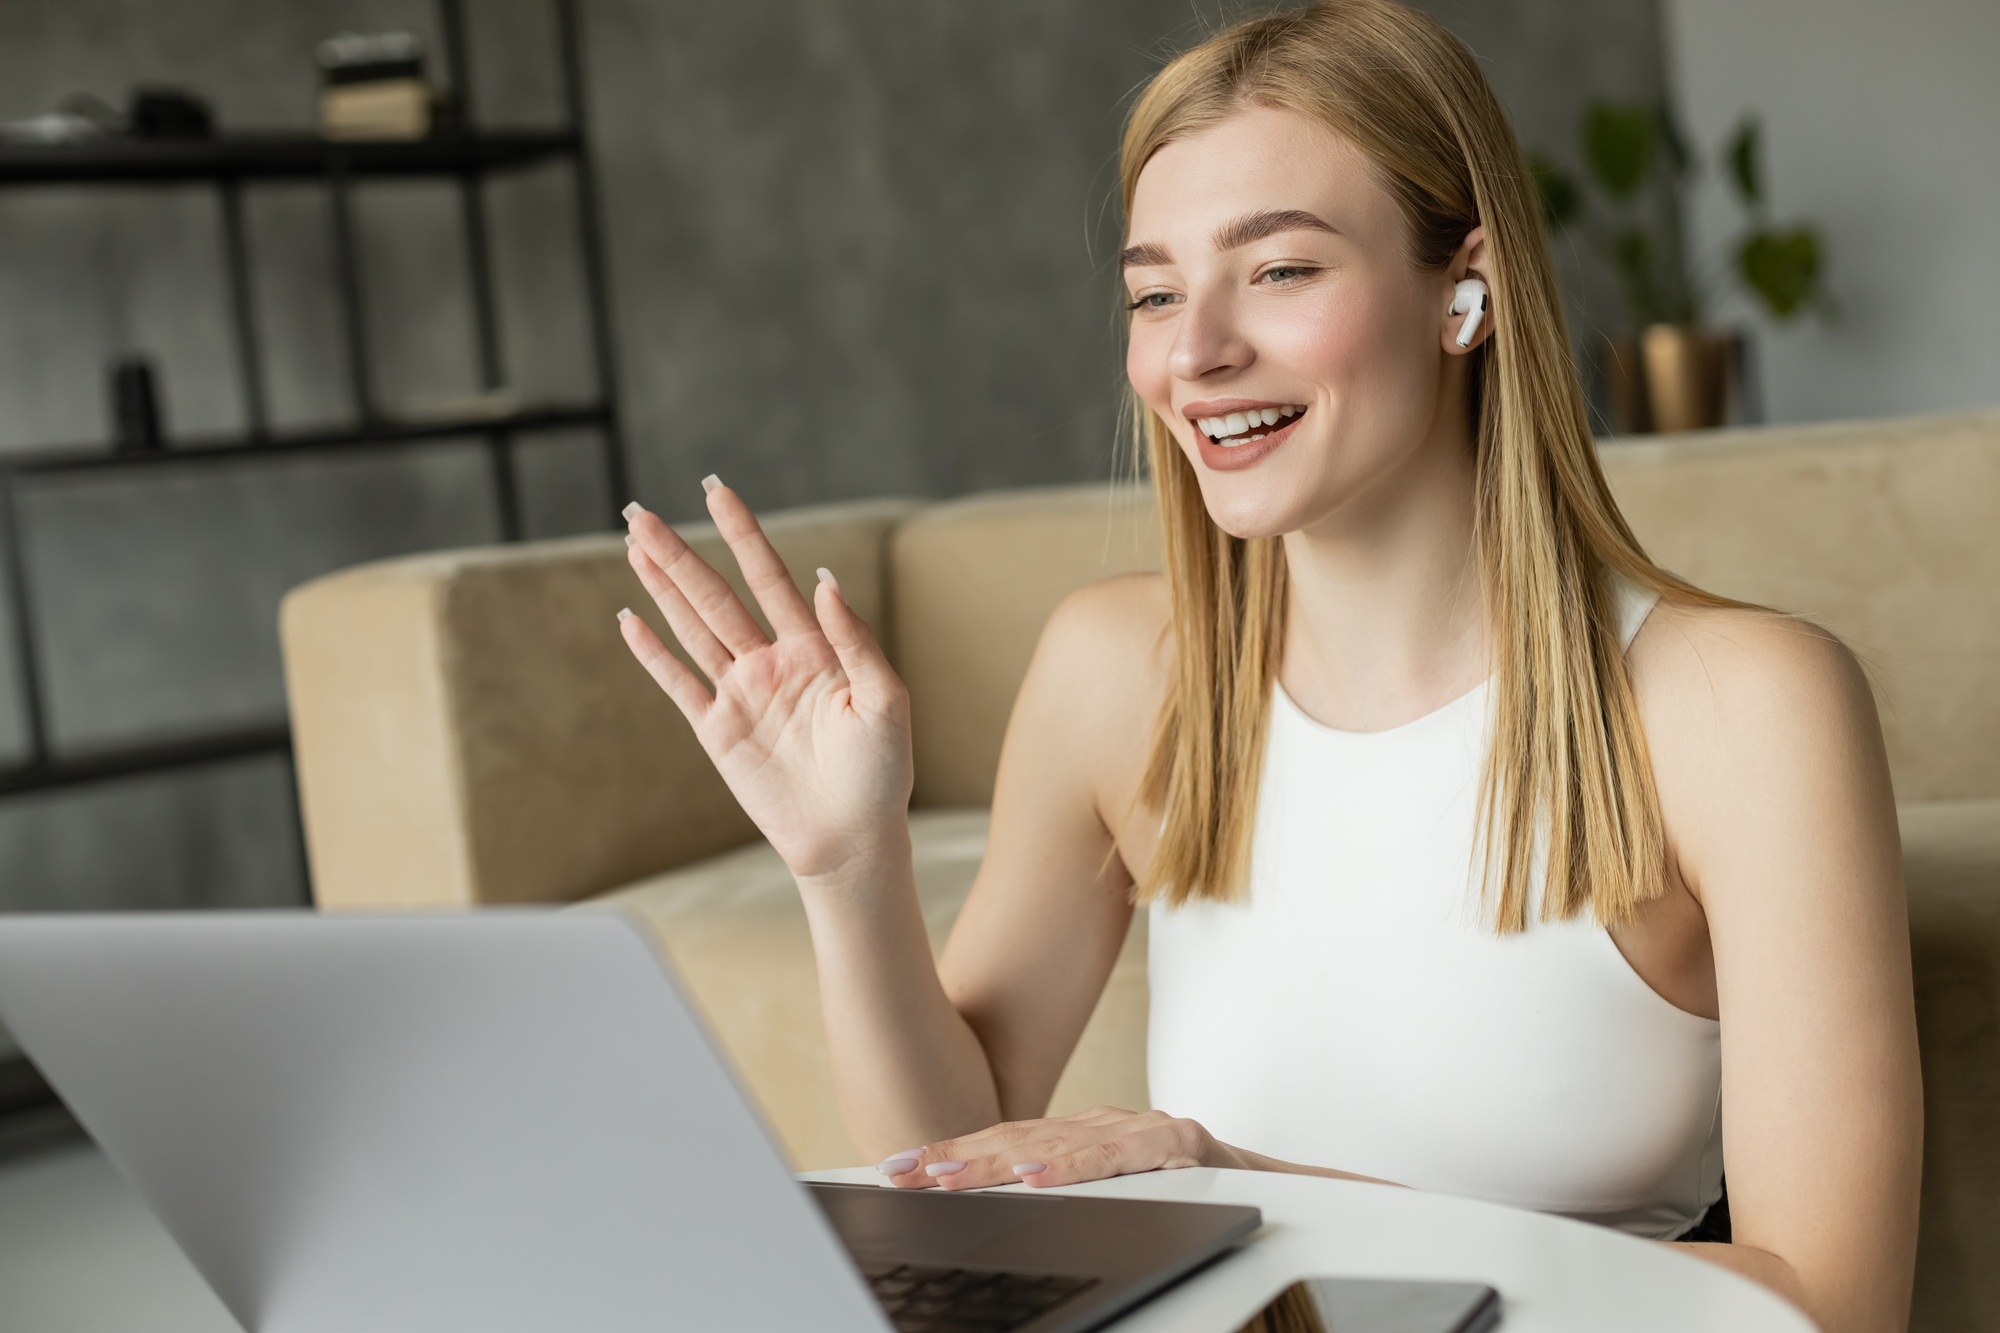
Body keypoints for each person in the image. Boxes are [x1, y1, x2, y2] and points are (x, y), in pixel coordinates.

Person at [614, 4, 1920, 1328]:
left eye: (1281, 270)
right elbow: (966, 1183)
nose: (1194, 354)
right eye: (1155, 293)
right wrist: (848, 871)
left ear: (1466, 288)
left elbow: (1833, 1302)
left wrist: (1242, 1189)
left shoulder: (1744, 705)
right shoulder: (1115, 671)